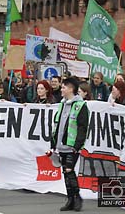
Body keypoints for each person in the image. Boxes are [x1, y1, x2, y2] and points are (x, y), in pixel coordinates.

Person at [51, 77, 89, 212]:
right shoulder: (62, 104)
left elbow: (83, 127)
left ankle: (77, 197)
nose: (61, 90)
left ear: (71, 89)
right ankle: (70, 199)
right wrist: (53, 143)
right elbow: (57, 124)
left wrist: (77, 145)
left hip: (72, 146)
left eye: (63, 87)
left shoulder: (81, 105)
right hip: (61, 145)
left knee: (69, 170)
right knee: (65, 173)